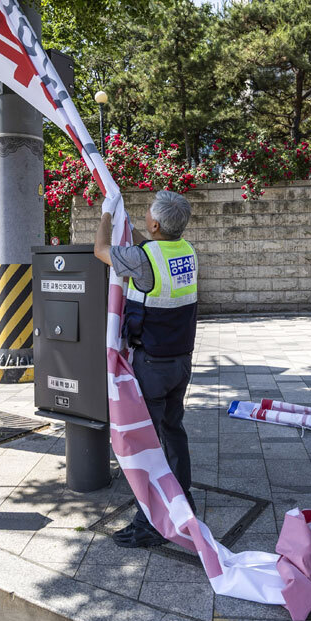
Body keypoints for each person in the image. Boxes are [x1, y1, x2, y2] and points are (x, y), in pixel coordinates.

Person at [94, 190, 198, 548]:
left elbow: (100, 250)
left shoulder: (143, 258)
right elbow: (147, 247)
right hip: (181, 360)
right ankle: (184, 500)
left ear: (155, 224)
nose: (147, 219)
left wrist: (107, 215)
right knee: (173, 431)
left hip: (152, 364)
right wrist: (128, 223)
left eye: (149, 216)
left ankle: (152, 523)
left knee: (147, 445)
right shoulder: (185, 250)